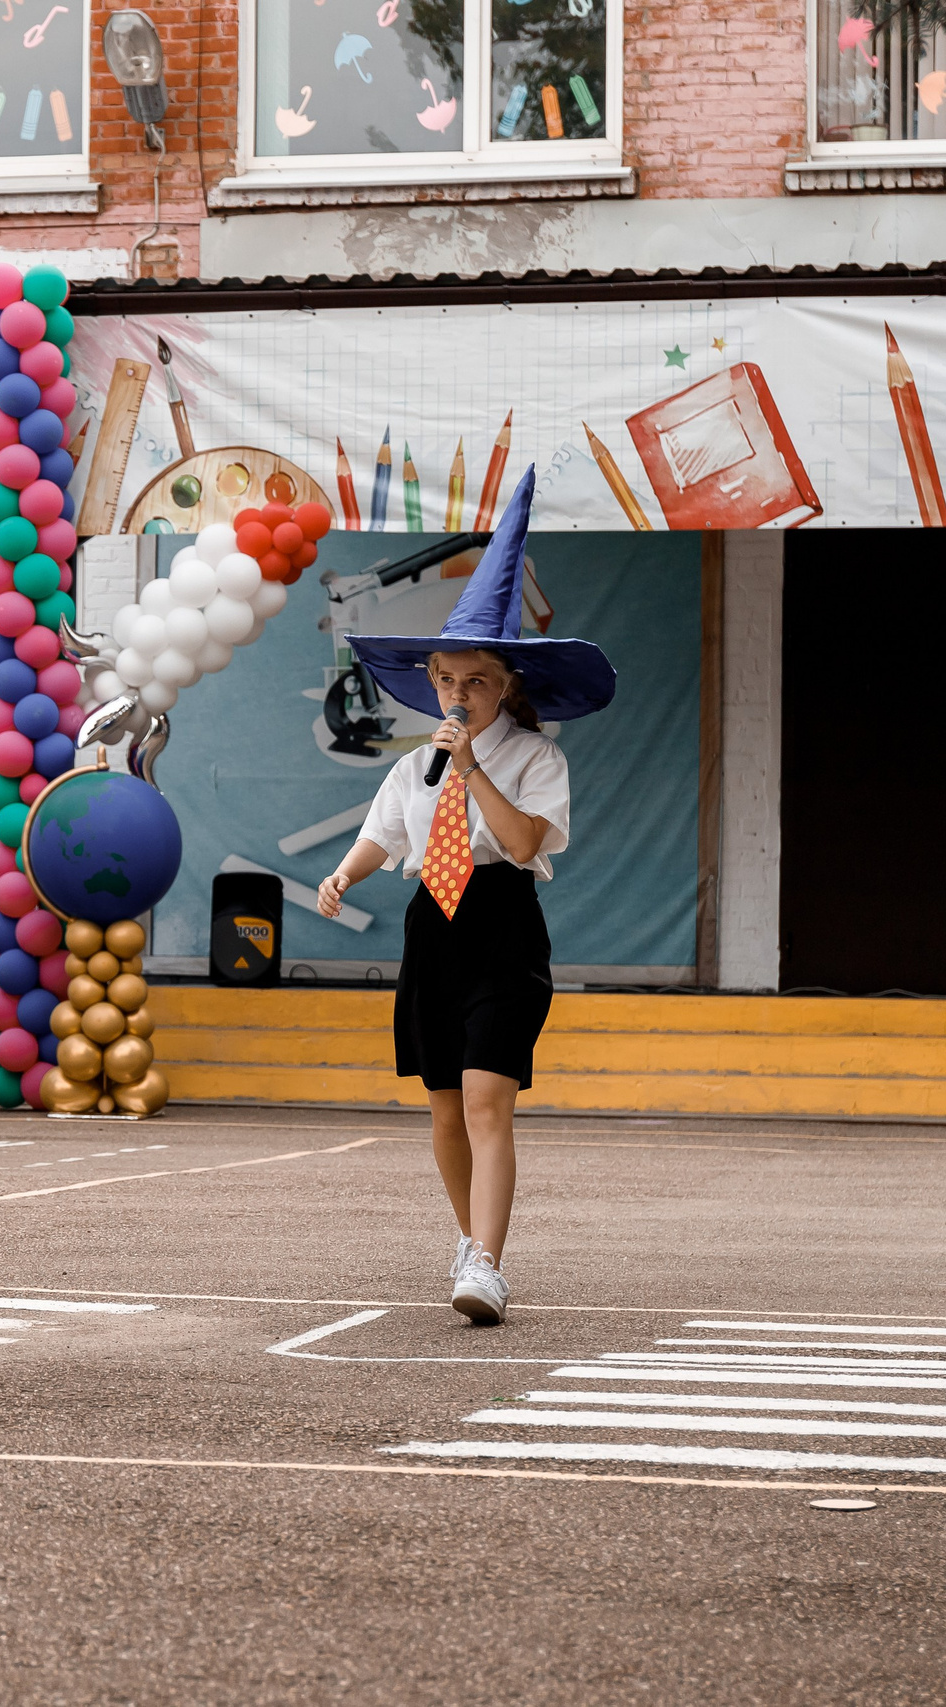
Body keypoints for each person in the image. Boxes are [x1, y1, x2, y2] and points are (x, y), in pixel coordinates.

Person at [314, 470, 612, 1327]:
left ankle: (489, 1259)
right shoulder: (417, 762)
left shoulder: (532, 760)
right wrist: (344, 873)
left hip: (500, 922)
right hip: (430, 925)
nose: (457, 695)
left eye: (474, 682)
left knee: (487, 1093)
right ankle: (469, 1243)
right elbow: (388, 834)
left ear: (507, 685)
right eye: (446, 680)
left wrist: (474, 766)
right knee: (443, 1101)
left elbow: (521, 845)